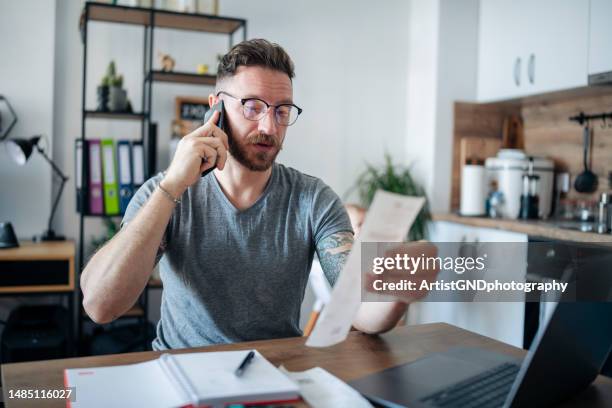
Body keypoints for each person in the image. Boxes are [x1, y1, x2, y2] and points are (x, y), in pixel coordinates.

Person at [81, 39, 434, 350]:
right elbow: (100, 306)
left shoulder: (313, 200)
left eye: (282, 111)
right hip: (184, 374)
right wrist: (172, 187)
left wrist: (398, 293)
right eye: (252, 106)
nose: (269, 126)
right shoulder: (168, 193)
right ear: (215, 109)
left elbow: (356, 307)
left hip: (276, 374)